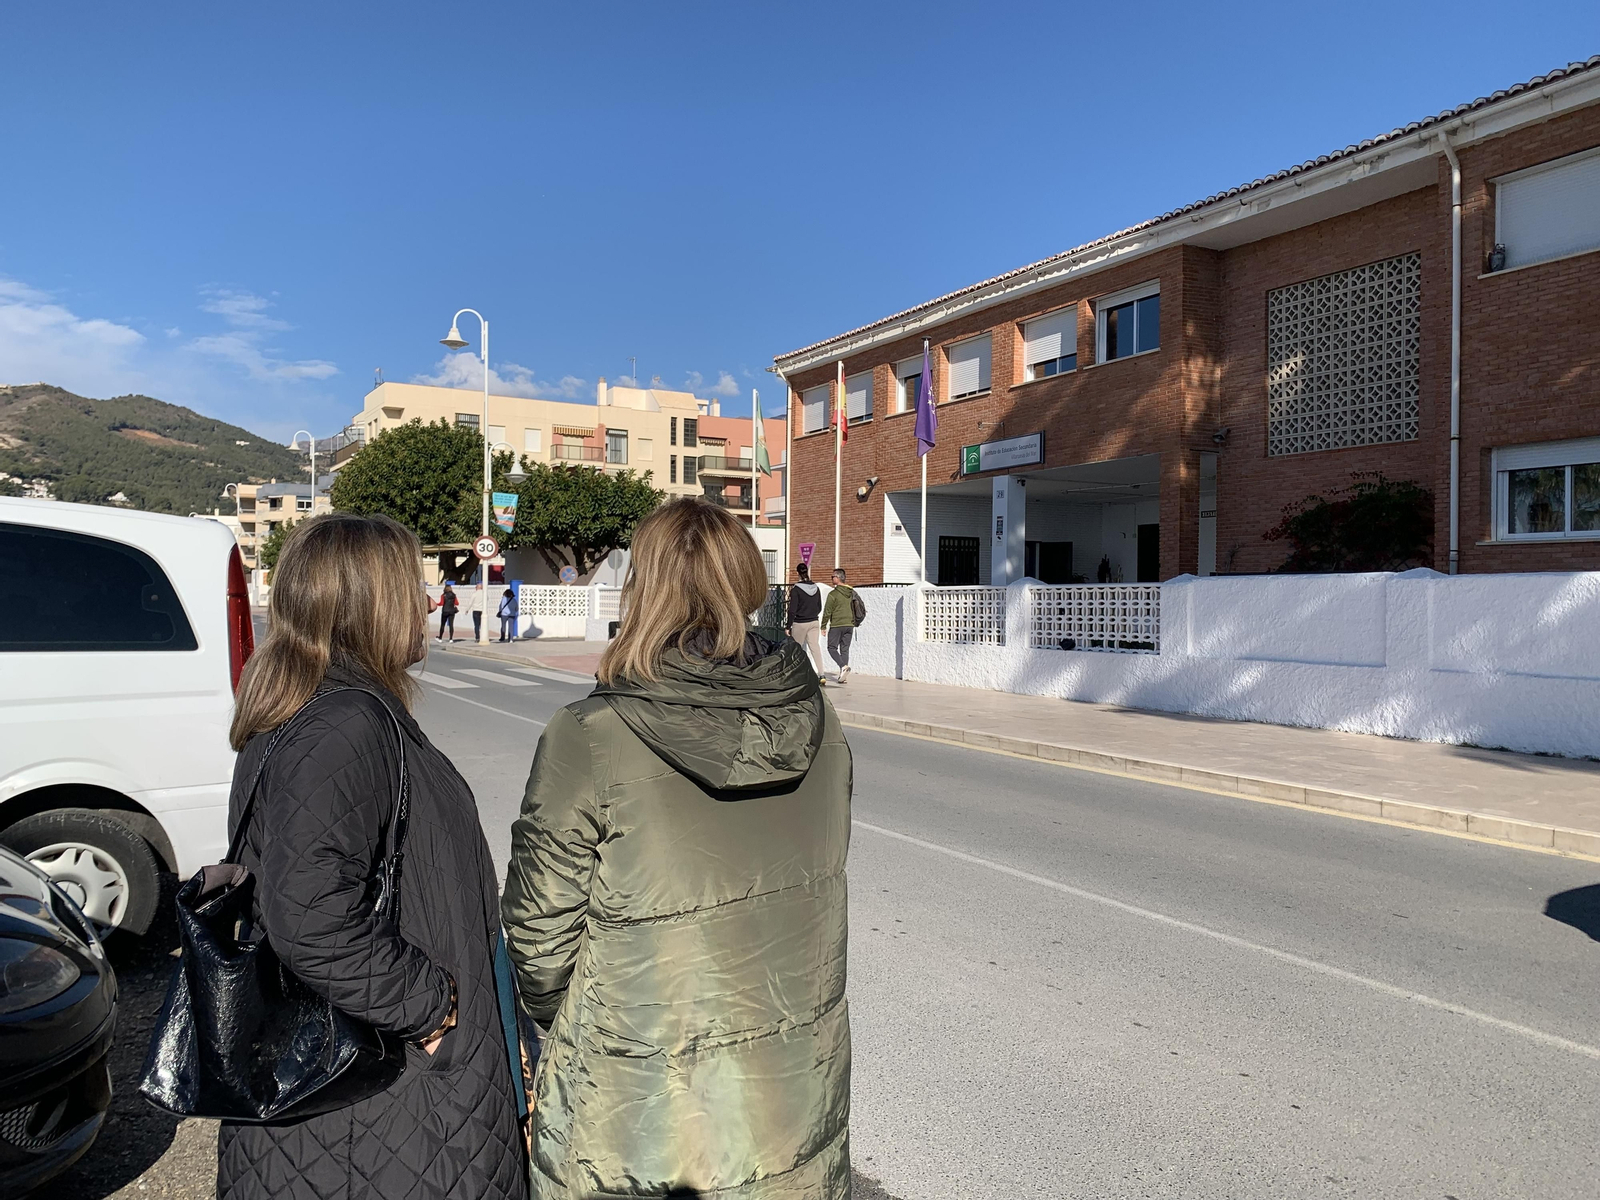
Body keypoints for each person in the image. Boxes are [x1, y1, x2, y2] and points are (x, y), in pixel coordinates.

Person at [503, 498, 852, 1200]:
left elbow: (538, 945)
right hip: (792, 1095)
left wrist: (572, 1032)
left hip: (632, 1110)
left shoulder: (590, 735)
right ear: (747, 582)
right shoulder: (819, 722)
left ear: (643, 586)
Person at [219, 513, 524, 1200]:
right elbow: (308, 915)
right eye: (409, 584)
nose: (424, 601)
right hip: (379, 1106)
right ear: (367, 604)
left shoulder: (312, 708)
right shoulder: (344, 723)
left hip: (360, 1100)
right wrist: (435, 1011)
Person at [785, 560, 825, 684]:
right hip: (814, 622)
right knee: (815, 648)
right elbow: (819, 607)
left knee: (796, 648)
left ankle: (794, 674)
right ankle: (822, 674)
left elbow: (792, 610)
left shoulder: (796, 589)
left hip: (800, 623)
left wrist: (788, 626)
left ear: (798, 573)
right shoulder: (816, 588)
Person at [820, 566, 857, 684]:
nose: (831, 578)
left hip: (837, 625)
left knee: (831, 648)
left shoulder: (833, 594)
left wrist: (823, 626)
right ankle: (843, 676)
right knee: (845, 649)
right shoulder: (851, 592)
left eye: (833, 576)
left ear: (838, 578)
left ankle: (843, 666)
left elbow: (827, 611)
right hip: (850, 625)